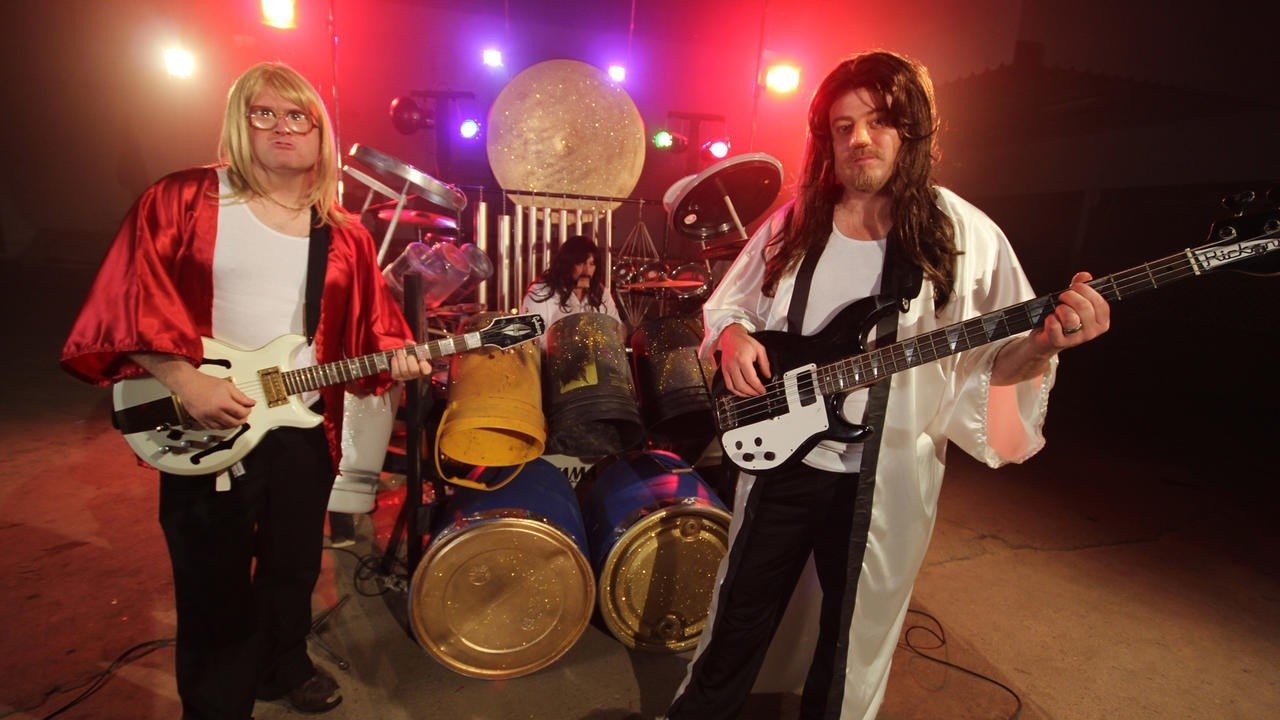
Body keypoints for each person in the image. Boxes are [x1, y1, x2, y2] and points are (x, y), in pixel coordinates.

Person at [664, 50, 1111, 720]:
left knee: (853, 641)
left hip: (885, 479)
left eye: (878, 122)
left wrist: (1043, 346)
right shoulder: (794, 223)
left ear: (911, 130)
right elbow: (731, 304)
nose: (860, 139)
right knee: (738, 617)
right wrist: (731, 334)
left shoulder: (963, 235)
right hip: (784, 464)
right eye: (843, 127)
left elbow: (997, 364)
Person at [60, 62, 430, 719]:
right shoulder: (181, 200)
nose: (283, 127)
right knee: (212, 582)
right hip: (207, 419)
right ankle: (217, 705)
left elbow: (374, 330)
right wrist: (184, 380)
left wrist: (400, 356)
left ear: (320, 134)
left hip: (301, 425)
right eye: (265, 113)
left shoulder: (342, 233)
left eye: (299, 116)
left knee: (293, 567)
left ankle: (282, 666)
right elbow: (125, 302)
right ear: (240, 121)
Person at [521, 234, 620, 333]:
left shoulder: (601, 294)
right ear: (566, 264)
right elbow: (524, 334)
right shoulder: (540, 293)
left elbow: (617, 331)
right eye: (580, 263)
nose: (587, 270)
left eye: (592, 264)